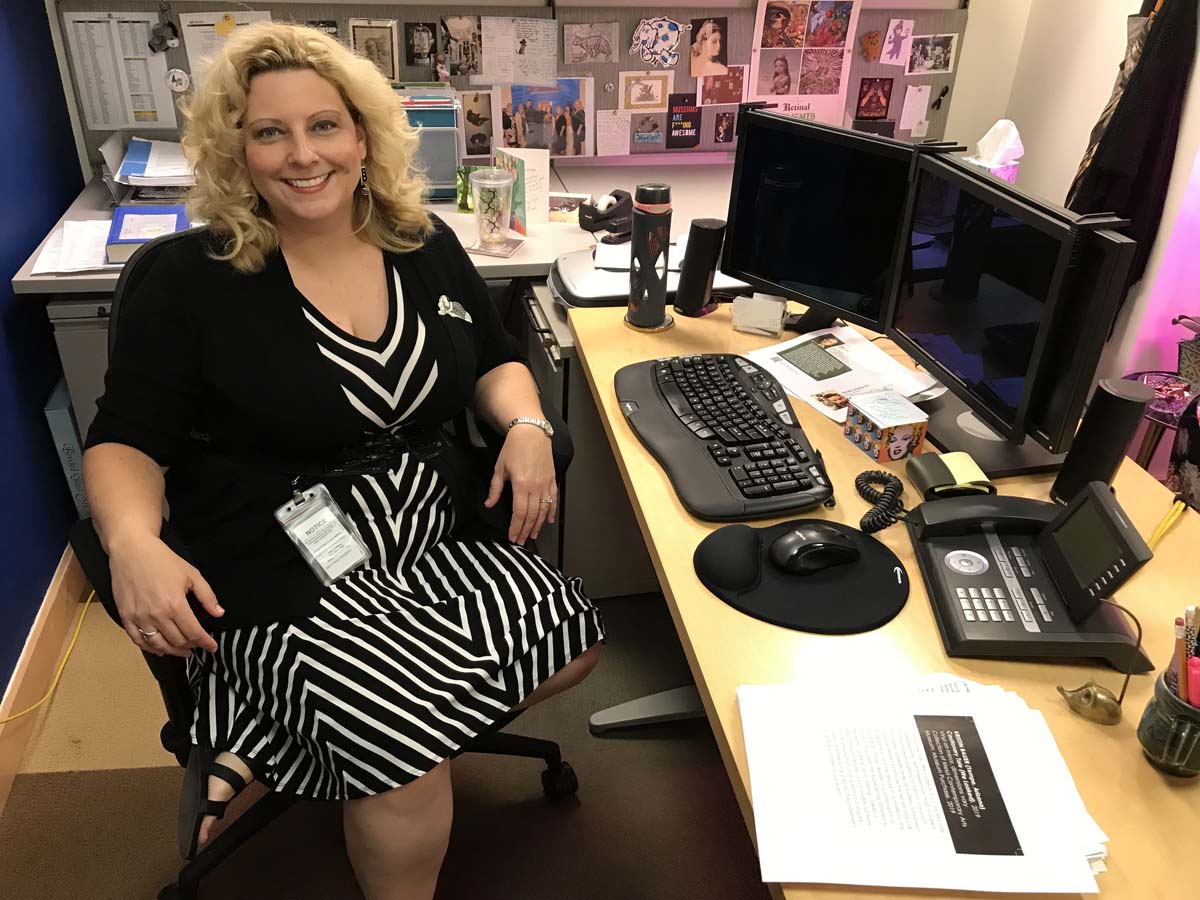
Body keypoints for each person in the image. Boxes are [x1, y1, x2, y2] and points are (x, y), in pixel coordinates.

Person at [81, 22, 602, 900]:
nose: (300, 156)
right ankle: (361, 743)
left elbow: (497, 359)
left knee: (576, 638)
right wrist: (133, 544)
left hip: (432, 542)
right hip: (283, 564)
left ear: (363, 135)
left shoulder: (419, 240)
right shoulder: (191, 281)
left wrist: (524, 429)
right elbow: (126, 437)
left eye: (324, 126)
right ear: (235, 150)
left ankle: (270, 734)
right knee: (403, 751)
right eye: (268, 132)